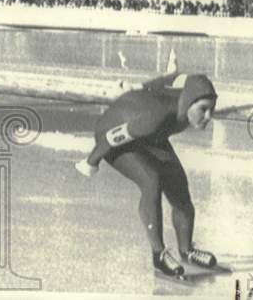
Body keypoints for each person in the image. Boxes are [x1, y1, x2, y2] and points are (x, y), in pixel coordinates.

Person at [75, 72, 219, 278]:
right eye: (203, 110)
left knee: (178, 185)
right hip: (111, 135)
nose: (208, 117)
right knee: (151, 180)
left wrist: (168, 75)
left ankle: (187, 250)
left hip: (150, 136)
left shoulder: (183, 104)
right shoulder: (157, 116)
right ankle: (158, 255)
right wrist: (91, 161)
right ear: (188, 103)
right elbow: (111, 138)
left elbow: (159, 86)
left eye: (212, 110)